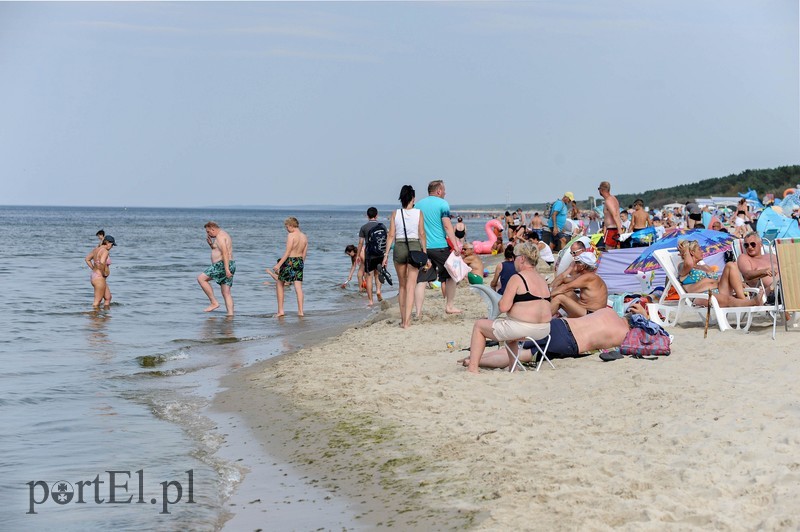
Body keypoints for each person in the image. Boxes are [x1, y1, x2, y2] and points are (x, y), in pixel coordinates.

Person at [465, 242, 552, 374]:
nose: (513, 261)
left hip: (523, 328)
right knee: (509, 327)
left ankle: (472, 368)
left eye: (515, 257)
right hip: (544, 329)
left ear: (522, 258)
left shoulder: (518, 278)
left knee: (479, 325)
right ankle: (513, 367)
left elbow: (503, 306)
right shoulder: (541, 279)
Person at [460, 307, 633, 369]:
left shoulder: (608, 311)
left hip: (560, 324)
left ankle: (474, 357)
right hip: (569, 344)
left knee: (516, 343)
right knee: (523, 355)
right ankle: (478, 362)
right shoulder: (623, 336)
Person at [415, 180, 462, 315]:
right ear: (439, 191)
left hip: (423, 247)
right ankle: (449, 306)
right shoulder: (443, 204)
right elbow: (447, 226)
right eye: (444, 190)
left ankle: (418, 312)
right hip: (440, 246)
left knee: (422, 279)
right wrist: (455, 245)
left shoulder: (418, 205)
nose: (445, 193)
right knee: (452, 275)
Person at [383, 185, 427, 328]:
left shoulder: (395, 213)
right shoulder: (419, 213)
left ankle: (402, 320)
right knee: (411, 286)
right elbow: (421, 234)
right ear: (413, 198)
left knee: (402, 286)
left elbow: (391, 235)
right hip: (414, 247)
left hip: (399, 247)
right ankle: (407, 321)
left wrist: (386, 254)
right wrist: (424, 251)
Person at [677, 239, 761, 308]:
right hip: (702, 295)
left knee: (731, 265)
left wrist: (738, 283)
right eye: (699, 249)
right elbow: (689, 264)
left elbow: (717, 278)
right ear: (692, 252)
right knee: (729, 300)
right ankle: (752, 302)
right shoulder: (682, 267)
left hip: (719, 289)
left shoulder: (704, 267)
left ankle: (742, 298)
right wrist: (685, 251)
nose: (702, 251)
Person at [550, 250, 608, 317]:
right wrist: (552, 288)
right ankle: (550, 310)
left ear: (582, 266)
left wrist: (547, 296)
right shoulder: (584, 275)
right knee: (565, 292)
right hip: (584, 309)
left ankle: (543, 319)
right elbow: (563, 280)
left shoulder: (589, 277)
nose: (575, 264)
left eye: (577, 263)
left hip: (591, 314)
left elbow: (565, 288)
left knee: (559, 298)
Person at [197, 222, 235, 315]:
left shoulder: (220, 237)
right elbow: (218, 249)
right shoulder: (223, 234)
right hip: (230, 264)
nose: (208, 234)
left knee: (201, 279)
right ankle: (230, 315)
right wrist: (211, 245)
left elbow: (225, 253)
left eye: (208, 232)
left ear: (213, 229)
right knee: (226, 293)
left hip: (222, 265)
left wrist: (226, 269)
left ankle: (214, 302)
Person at [274, 217, 308, 317]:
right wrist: (301, 264)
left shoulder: (291, 235)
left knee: (280, 284)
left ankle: (280, 311)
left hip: (290, 261)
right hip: (300, 261)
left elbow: (288, 252)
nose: (286, 229)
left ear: (291, 226)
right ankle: (301, 312)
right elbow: (304, 254)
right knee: (298, 287)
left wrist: (278, 265)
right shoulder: (304, 236)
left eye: (287, 227)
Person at [356, 207, 385, 306]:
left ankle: (370, 301)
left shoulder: (364, 227)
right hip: (380, 254)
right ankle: (378, 291)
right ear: (377, 215)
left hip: (369, 255)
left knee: (369, 277)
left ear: (367, 216)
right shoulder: (382, 226)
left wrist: (357, 255)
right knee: (378, 274)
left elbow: (360, 243)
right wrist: (386, 255)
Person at [736, 231, 777, 296]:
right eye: (746, 245)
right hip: (770, 293)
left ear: (761, 244)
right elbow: (747, 274)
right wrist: (763, 271)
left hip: (786, 284)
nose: (749, 247)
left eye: (753, 244)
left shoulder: (771, 256)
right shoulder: (744, 258)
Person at [86, 235, 115, 308]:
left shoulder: (96, 249)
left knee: (108, 298)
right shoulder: (105, 251)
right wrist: (103, 273)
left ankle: (104, 316)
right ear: (107, 243)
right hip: (99, 278)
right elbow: (102, 262)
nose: (112, 247)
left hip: (95, 276)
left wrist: (93, 269)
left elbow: (87, 259)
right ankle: (94, 317)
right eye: (112, 245)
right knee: (97, 301)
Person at [598, 181, 622, 249]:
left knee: (609, 252)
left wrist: (619, 230)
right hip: (614, 229)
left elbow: (615, 215)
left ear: (602, 190)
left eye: (598, 189)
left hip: (612, 230)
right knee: (615, 253)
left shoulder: (608, 201)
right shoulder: (613, 198)